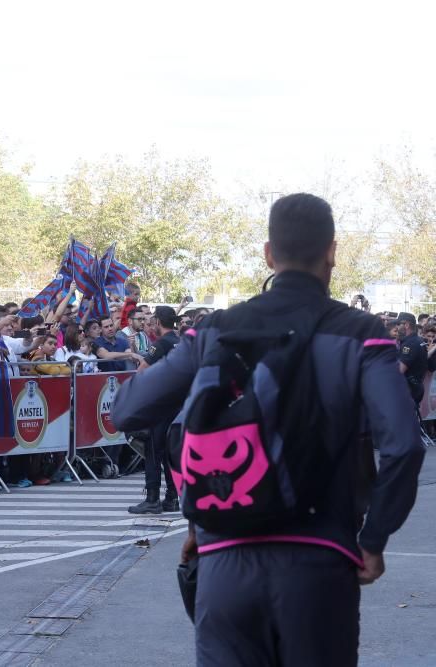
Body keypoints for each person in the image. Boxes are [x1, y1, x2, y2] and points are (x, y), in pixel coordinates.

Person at [111, 193, 423, 666]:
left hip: (222, 557)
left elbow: (128, 411)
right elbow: (402, 446)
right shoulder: (362, 335)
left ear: (269, 255)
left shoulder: (215, 329)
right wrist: (374, 539)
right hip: (320, 556)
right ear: (332, 252)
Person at [126, 305, 182, 514]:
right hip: (177, 405)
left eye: (153, 320)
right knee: (169, 453)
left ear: (158, 322)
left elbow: (142, 371)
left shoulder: (160, 345)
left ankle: (152, 499)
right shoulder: (181, 342)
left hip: (160, 405)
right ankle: (172, 497)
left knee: (153, 450)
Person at [395, 312, 428, 407]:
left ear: (406, 325)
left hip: (409, 392)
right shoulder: (416, 340)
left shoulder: (411, 343)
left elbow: (399, 370)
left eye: (398, 324)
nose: (396, 327)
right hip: (413, 390)